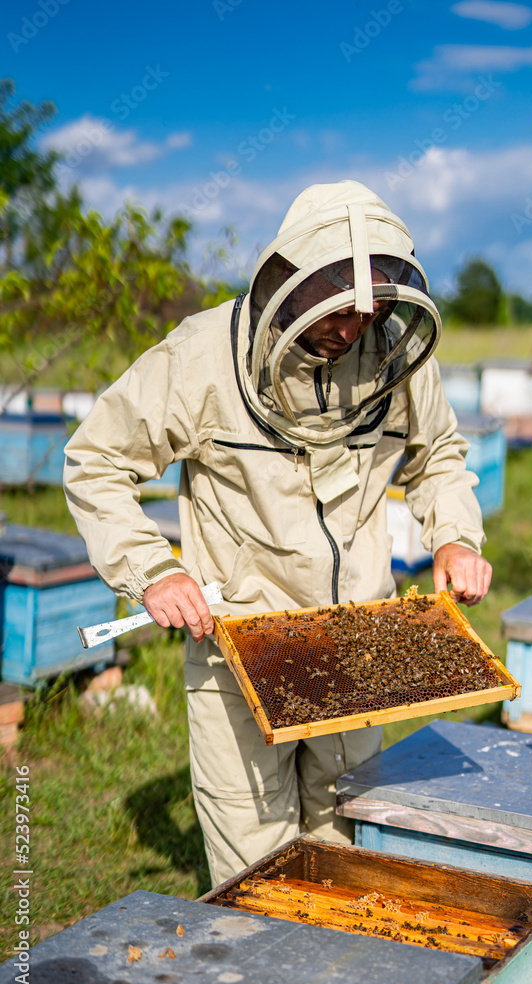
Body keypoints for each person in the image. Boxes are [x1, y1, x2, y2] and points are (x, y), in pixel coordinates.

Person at [63, 180, 492, 886]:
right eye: (335, 309)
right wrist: (152, 568)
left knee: (347, 841)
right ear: (286, 278)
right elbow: (97, 458)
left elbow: (438, 455)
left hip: (359, 647)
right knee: (256, 864)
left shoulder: (392, 358)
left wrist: (453, 536)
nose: (348, 330)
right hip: (239, 643)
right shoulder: (200, 356)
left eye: (368, 312)